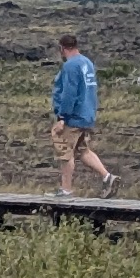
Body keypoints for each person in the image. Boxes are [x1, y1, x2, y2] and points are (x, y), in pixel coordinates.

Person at [49, 32, 112, 196]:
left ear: (62, 49)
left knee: (65, 151)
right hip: (86, 115)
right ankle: (107, 177)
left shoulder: (70, 66)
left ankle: (66, 189)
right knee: (83, 150)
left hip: (73, 117)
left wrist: (62, 117)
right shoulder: (87, 63)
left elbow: (69, 93)